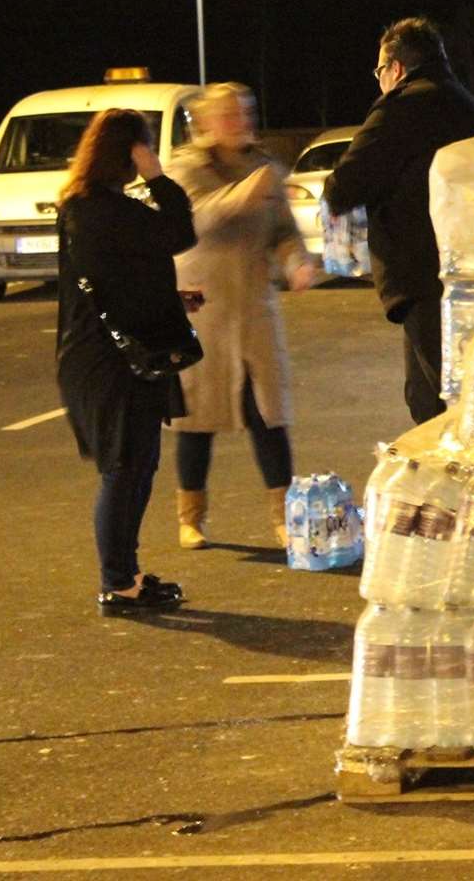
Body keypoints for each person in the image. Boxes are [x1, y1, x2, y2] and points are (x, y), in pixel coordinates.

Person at [55, 108, 199, 616]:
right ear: (129, 151)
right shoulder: (107, 210)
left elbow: (114, 279)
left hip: (106, 354)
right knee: (124, 468)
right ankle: (119, 583)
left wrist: (170, 297)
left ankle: (127, 576)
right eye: (144, 147)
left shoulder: (87, 208)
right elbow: (180, 233)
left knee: (136, 465)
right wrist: (157, 177)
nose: (151, 156)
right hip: (111, 360)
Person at [164, 83, 320, 551]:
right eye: (230, 114)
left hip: (254, 310)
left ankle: (284, 516)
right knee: (195, 420)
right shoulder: (184, 167)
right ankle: (190, 517)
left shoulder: (264, 169)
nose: (241, 121)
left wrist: (297, 262)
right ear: (207, 122)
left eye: (246, 112)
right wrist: (240, 196)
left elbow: (284, 232)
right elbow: (191, 219)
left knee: (268, 417)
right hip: (202, 310)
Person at [324, 17, 474, 425]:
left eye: (379, 72)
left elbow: (344, 187)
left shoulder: (401, 107)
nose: (380, 81)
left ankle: (455, 484)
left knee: (443, 403)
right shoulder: (473, 109)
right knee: (435, 395)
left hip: (426, 277)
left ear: (396, 68)